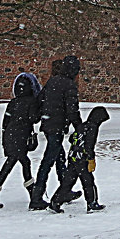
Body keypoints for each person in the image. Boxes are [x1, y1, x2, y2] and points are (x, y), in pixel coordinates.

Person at [30, 56, 84, 210]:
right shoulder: (69, 85)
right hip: (56, 126)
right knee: (48, 161)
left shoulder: (53, 81)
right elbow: (72, 109)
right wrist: (79, 127)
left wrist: (39, 116)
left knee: (60, 158)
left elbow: (40, 99)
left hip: (48, 125)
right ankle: (37, 197)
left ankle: (64, 190)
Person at [0, 73, 41, 209]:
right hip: (21, 137)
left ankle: (32, 194)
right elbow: (34, 118)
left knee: (22, 163)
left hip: (10, 136)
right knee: (11, 165)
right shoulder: (31, 102)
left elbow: (6, 121)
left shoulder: (13, 102)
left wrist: (5, 138)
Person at [49, 106, 109, 214]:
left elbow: (72, 138)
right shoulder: (93, 127)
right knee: (88, 182)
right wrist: (91, 159)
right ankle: (92, 203)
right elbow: (89, 145)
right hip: (82, 159)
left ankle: (56, 201)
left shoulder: (82, 125)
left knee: (68, 182)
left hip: (73, 157)